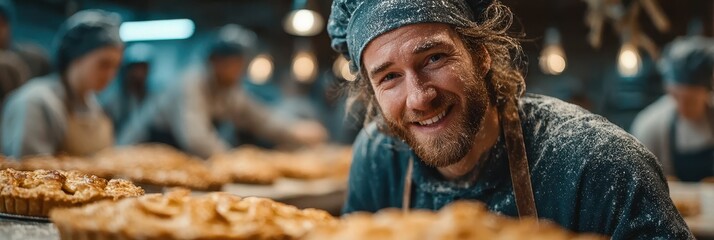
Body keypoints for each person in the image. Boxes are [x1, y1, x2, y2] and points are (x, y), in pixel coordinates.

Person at [327, 0, 692, 238]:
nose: (420, 98)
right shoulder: (378, 159)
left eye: (435, 58)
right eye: (389, 77)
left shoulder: (597, 165)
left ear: (481, 56)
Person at [118, 26, 327, 159]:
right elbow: (197, 138)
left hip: (175, 156)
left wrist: (296, 130)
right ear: (215, 61)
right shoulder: (191, 83)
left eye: (240, 63)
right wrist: (234, 160)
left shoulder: (229, 90)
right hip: (141, 151)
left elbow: (260, 118)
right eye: (232, 63)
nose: (238, 70)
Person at [1, 9, 123, 158]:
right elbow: (31, 174)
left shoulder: (93, 104)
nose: (111, 75)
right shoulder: (37, 102)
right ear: (76, 57)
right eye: (104, 64)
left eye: (116, 66)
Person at [631, 36, 714, 182]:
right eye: (676, 96)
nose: (682, 105)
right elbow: (639, 181)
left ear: (707, 91)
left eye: (691, 100)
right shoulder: (649, 126)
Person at [99, 43, 153, 134]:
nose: (140, 73)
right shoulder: (113, 101)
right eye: (136, 68)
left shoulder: (153, 100)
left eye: (143, 68)